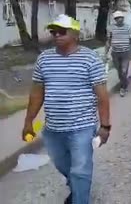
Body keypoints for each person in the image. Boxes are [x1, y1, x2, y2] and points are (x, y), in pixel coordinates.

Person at [22, 14, 111, 204]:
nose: (56, 35)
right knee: (65, 167)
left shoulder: (90, 59)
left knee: (80, 170)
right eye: (53, 32)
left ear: (75, 34)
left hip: (82, 127)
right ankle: (78, 189)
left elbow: (102, 96)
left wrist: (105, 126)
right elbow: (37, 94)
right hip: (53, 130)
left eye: (62, 32)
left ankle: (79, 198)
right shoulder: (44, 59)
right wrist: (28, 121)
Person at [105, 10, 131, 97]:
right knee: (119, 71)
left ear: (123, 18)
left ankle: (123, 88)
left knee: (124, 71)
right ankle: (124, 82)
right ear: (115, 19)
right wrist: (106, 53)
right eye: (117, 18)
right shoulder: (110, 28)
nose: (119, 19)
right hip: (115, 53)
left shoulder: (128, 27)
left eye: (121, 17)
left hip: (125, 53)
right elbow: (108, 41)